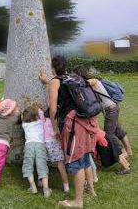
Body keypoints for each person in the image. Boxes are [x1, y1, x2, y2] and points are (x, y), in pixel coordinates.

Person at [39, 56, 97, 208]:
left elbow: (52, 109)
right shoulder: (73, 77)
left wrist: (55, 128)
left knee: (75, 160)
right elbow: (64, 89)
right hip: (86, 121)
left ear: (53, 67)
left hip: (73, 125)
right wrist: (48, 81)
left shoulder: (55, 82)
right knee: (84, 156)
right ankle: (91, 189)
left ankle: (78, 201)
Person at [73, 65, 131, 174]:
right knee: (118, 131)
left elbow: (85, 84)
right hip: (111, 109)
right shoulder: (88, 85)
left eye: (76, 76)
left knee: (109, 135)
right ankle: (127, 153)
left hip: (111, 110)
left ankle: (122, 153)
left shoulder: (94, 81)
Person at [22, 104, 52, 198]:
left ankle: (33, 187)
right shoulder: (41, 122)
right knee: (42, 165)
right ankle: (46, 189)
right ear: (36, 115)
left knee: (28, 165)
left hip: (29, 146)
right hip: (40, 145)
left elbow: (22, 117)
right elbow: (41, 115)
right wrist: (38, 109)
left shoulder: (24, 124)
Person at [38, 108, 69, 192]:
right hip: (54, 143)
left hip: (44, 143)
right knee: (60, 164)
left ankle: (41, 181)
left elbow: (39, 112)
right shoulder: (55, 122)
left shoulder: (42, 119)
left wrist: (39, 108)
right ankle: (66, 185)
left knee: (43, 164)